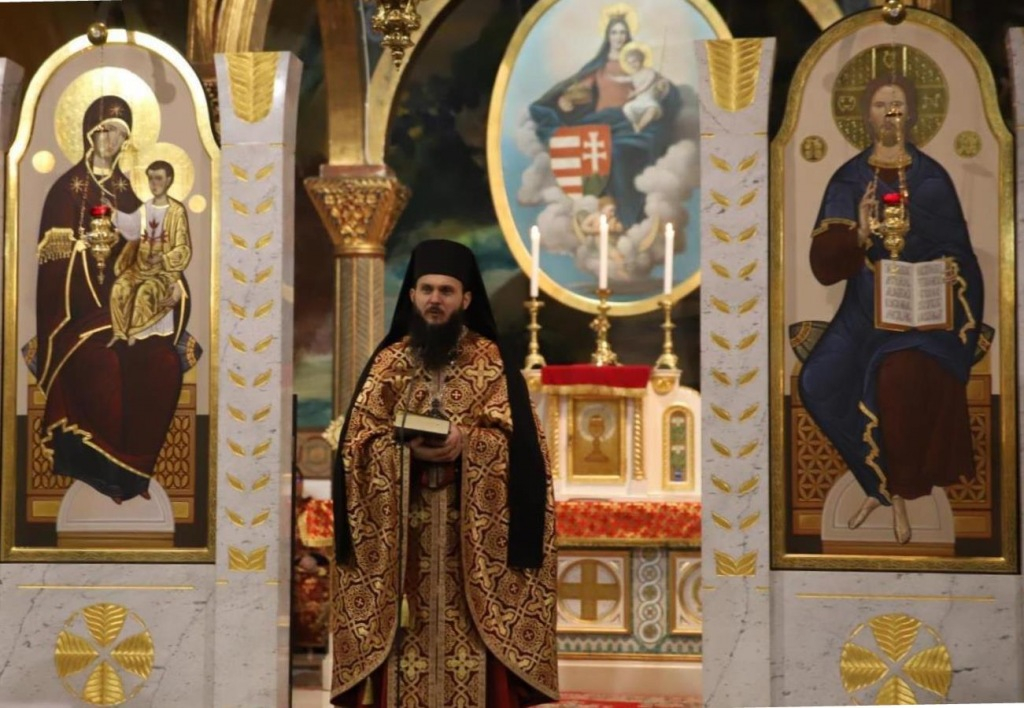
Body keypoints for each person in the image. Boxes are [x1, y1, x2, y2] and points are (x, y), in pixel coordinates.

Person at [330, 239, 558, 706]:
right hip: (403, 550)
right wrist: (401, 450)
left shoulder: (491, 362)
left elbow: (525, 451)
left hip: (470, 552)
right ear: (412, 295)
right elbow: (356, 447)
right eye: (427, 289)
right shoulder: (389, 364)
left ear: (466, 299)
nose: (435, 299)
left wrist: (467, 443)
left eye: (447, 291)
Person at [798, 74, 983, 544]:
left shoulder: (931, 178)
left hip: (924, 317)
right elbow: (823, 266)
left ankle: (901, 492)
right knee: (816, 381)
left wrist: (950, 273)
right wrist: (859, 234)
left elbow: (960, 254)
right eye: (881, 105)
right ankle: (876, 482)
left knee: (897, 376)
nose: (890, 113)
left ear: (913, 113)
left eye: (899, 104)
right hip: (864, 311)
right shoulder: (849, 179)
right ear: (866, 114)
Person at [33, 95, 187, 504]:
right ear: (89, 133)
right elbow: (50, 268)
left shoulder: (126, 191)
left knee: (165, 363)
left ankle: (134, 474)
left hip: (127, 314)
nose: (111, 141)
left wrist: (172, 284)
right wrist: (81, 248)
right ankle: (101, 471)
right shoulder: (66, 190)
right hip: (79, 318)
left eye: (120, 135)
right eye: (105, 131)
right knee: (103, 364)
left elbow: (151, 246)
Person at [529, 12, 681, 228]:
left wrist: (663, 89)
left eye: (622, 32)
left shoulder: (638, 66)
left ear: (628, 36)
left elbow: (657, 88)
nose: (618, 37)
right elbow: (578, 88)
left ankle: (626, 216)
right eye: (614, 32)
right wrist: (566, 99)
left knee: (620, 152)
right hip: (601, 121)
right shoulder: (598, 67)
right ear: (608, 36)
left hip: (627, 121)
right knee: (590, 146)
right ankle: (601, 211)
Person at [108, 160, 192, 345]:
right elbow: (132, 227)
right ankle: (120, 332)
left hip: (163, 272)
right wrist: (113, 213)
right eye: (151, 179)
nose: (154, 183)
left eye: (159, 178)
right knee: (120, 287)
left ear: (169, 180)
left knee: (145, 292)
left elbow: (183, 248)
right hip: (140, 268)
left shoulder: (176, 212)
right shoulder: (146, 207)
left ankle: (136, 334)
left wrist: (163, 259)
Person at [611, 43, 668, 133]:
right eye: (630, 63)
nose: (632, 65)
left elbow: (646, 85)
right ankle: (635, 125)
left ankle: (640, 127)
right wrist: (612, 78)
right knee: (627, 108)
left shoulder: (650, 72)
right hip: (639, 101)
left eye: (634, 61)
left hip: (650, 101)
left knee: (652, 110)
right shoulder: (634, 75)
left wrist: (635, 93)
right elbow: (623, 79)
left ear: (641, 60)